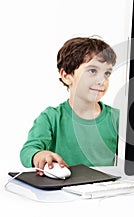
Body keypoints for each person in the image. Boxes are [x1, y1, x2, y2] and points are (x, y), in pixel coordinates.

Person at [20, 36, 119, 176]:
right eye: (92, 71)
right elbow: (28, 151)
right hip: (64, 192)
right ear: (66, 76)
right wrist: (40, 155)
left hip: (104, 190)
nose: (101, 80)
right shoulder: (50, 118)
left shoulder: (117, 118)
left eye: (107, 73)